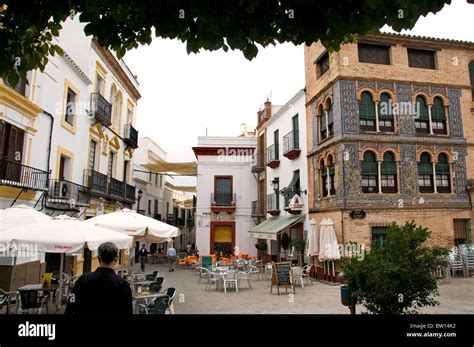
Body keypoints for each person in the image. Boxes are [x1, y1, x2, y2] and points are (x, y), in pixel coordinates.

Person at [65, 242, 133, 315]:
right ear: (116, 259)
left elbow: (71, 305)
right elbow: (128, 311)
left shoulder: (83, 280)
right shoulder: (123, 285)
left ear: (98, 258)